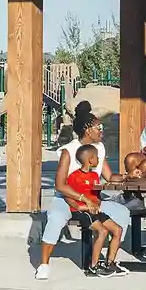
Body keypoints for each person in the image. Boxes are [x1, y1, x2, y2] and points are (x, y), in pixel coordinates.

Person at [36, 101, 131, 280]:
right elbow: (60, 185)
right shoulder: (69, 151)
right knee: (56, 218)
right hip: (66, 199)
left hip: (93, 200)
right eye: (98, 127)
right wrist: (82, 199)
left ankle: (108, 261)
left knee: (123, 212)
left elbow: (109, 177)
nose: (101, 130)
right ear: (88, 130)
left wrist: (128, 176)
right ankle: (44, 264)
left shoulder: (99, 148)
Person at [65, 144, 124, 277]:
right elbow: (68, 196)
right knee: (102, 231)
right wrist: (80, 206)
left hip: (95, 210)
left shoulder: (94, 176)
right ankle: (94, 266)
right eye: (97, 157)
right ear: (90, 160)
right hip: (81, 211)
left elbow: (96, 195)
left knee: (117, 230)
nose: (99, 159)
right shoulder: (74, 177)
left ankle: (110, 263)